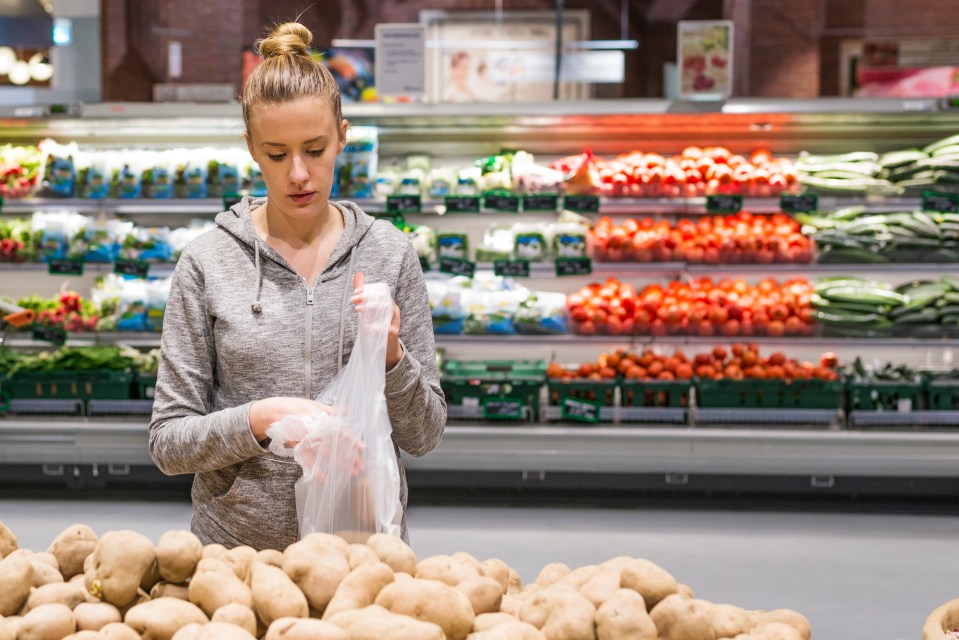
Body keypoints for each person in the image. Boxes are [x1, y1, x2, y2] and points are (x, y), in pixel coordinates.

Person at [148, 21, 446, 551]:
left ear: (342, 137)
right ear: (251, 149)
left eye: (315, 148)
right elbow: (168, 442)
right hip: (236, 559)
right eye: (277, 154)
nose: (299, 175)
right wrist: (259, 420)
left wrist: (393, 359)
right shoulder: (207, 261)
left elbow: (424, 436)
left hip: (363, 551)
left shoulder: (389, 253)